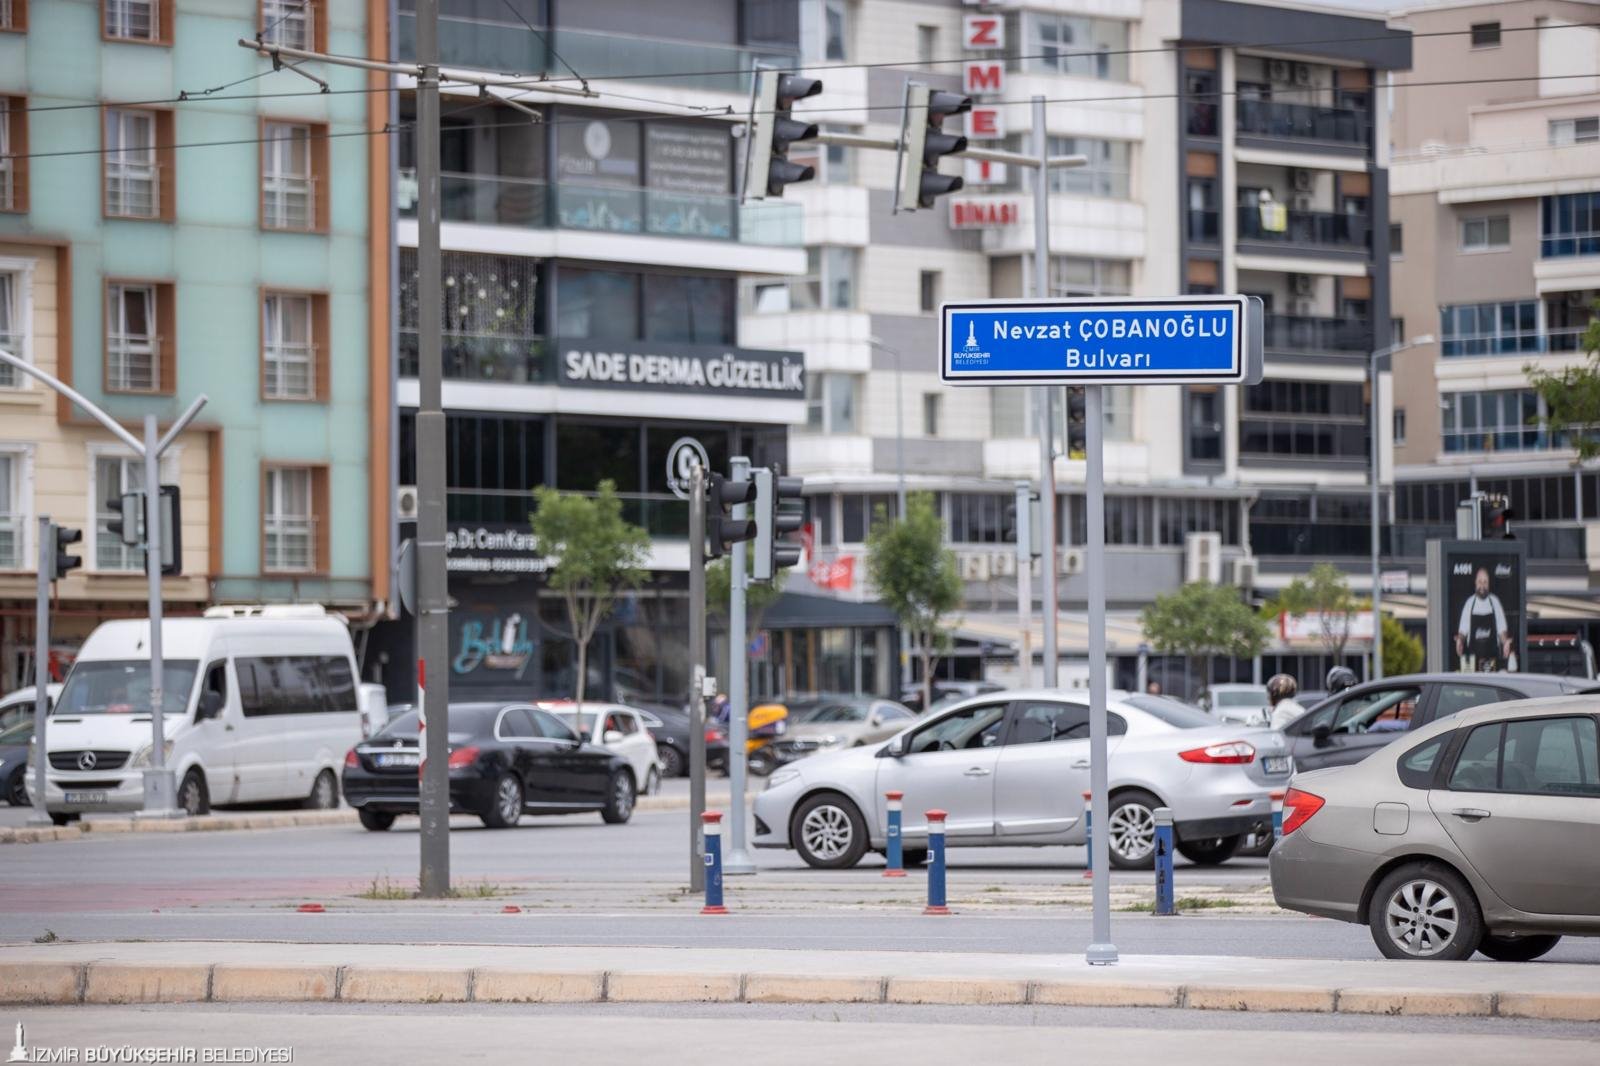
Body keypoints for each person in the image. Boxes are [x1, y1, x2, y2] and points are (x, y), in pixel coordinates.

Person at [1455, 567, 1512, 671]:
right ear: (1475, 583)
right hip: (1472, 663)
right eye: (1480, 581)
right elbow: (1463, 630)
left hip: (1491, 662)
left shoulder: (1495, 602)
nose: (1482, 585)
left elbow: (1501, 629)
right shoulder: (1469, 603)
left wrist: (1505, 643)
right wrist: (1460, 641)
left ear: (1489, 584)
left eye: (1485, 582)